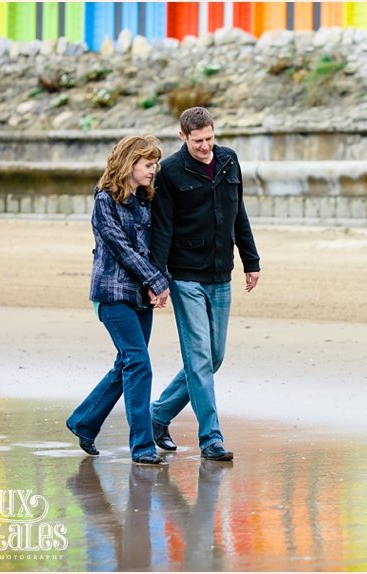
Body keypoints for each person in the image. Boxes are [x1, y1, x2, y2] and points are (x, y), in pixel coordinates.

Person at [149, 107, 261, 462]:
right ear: (183, 137)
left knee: (213, 357)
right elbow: (162, 227)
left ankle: (157, 414)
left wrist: (251, 260)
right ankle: (210, 438)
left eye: (210, 138)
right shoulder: (168, 172)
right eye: (198, 141)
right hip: (184, 276)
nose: (206, 146)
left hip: (220, 272)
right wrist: (158, 279)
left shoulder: (229, 161)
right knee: (198, 359)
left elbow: (237, 212)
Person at [66, 135, 171, 466]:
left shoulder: (147, 200)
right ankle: (142, 446)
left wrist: (158, 282)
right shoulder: (104, 200)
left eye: (155, 164)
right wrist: (156, 280)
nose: (154, 170)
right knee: (138, 363)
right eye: (148, 164)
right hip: (112, 294)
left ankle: (84, 421)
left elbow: (155, 246)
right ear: (130, 163)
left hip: (140, 295)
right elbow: (120, 248)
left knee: (126, 363)